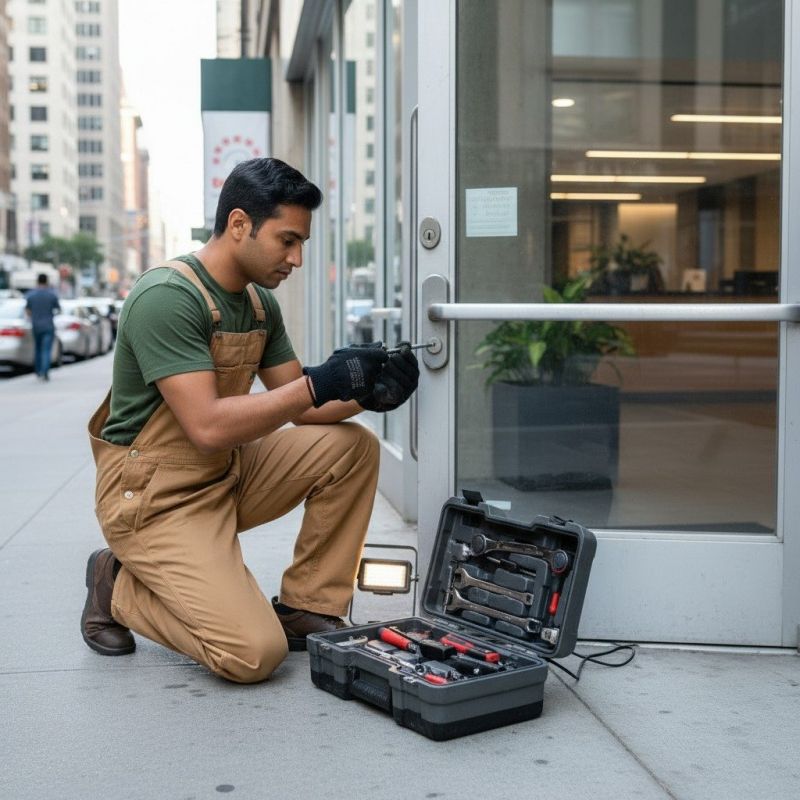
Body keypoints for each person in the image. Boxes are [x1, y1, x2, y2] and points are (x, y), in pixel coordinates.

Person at [81, 157, 419, 683]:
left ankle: (308, 607)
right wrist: (320, 380)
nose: (297, 258)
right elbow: (209, 425)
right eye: (287, 240)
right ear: (239, 224)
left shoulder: (260, 305)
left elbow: (301, 406)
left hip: (223, 474)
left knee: (352, 446)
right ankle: (115, 583)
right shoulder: (166, 299)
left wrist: (369, 397)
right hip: (153, 499)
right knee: (253, 655)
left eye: (301, 243)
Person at [25, 272, 61, 380]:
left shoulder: (31, 295)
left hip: (36, 325)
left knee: (38, 348)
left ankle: (38, 371)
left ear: (37, 281)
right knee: (46, 349)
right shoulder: (52, 294)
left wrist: (34, 316)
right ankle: (45, 371)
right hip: (48, 325)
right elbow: (58, 309)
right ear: (47, 281)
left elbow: (27, 311)